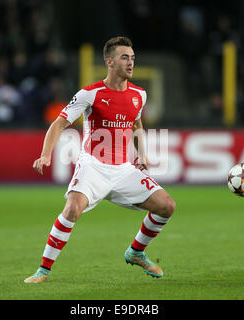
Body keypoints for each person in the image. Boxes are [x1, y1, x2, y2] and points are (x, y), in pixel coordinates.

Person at [24, 36, 176, 283]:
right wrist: (45, 154)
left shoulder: (140, 94)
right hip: (93, 166)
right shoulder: (90, 94)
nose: (130, 62)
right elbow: (59, 123)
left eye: (133, 58)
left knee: (167, 206)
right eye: (125, 57)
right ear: (110, 61)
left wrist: (142, 154)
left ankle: (136, 252)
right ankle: (43, 270)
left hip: (123, 169)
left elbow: (136, 124)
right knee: (72, 209)